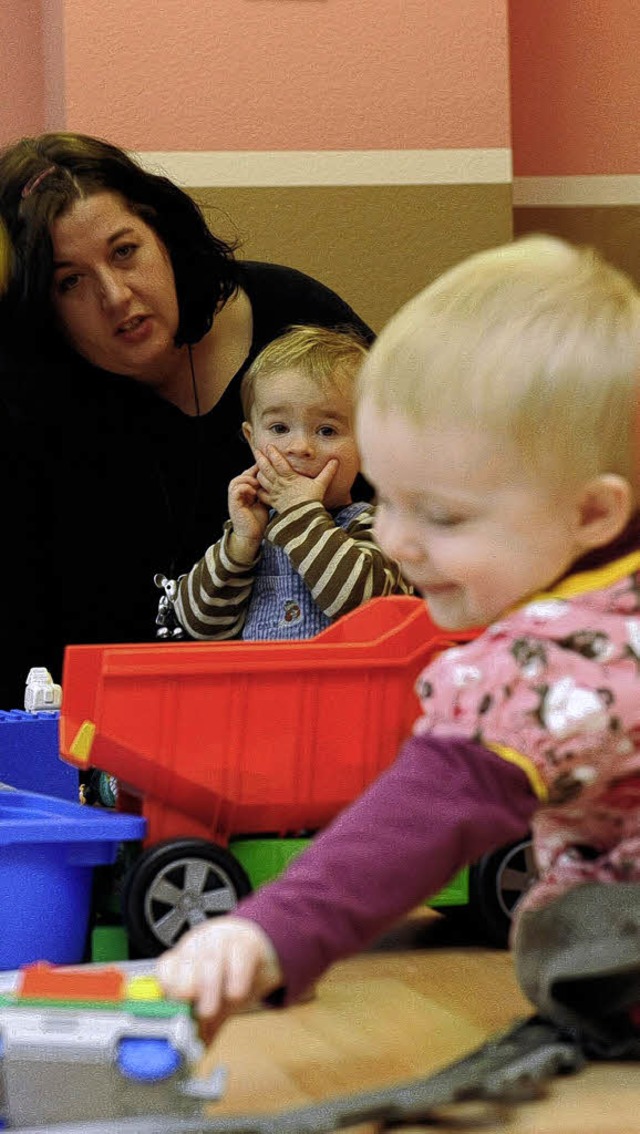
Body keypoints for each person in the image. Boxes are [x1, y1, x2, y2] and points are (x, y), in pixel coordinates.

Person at [156, 235, 640, 1029]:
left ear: (592, 512)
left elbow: (424, 812)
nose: (402, 543)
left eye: (442, 514)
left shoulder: (552, 660)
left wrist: (268, 934)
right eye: (392, 499)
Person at [0, 133, 373, 707]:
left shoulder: (299, 329)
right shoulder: (33, 399)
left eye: (125, 251)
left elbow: (426, 516)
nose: (116, 296)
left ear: (164, 236)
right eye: (69, 281)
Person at [172, 325, 410, 641]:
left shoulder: (380, 527)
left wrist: (301, 512)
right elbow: (200, 624)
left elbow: (361, 604)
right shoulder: (253, 535)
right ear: (252, 440)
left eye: (326, 431)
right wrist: (241, 543)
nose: (299, 447)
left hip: (347, 689)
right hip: (263, 690)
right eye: (280, 428)